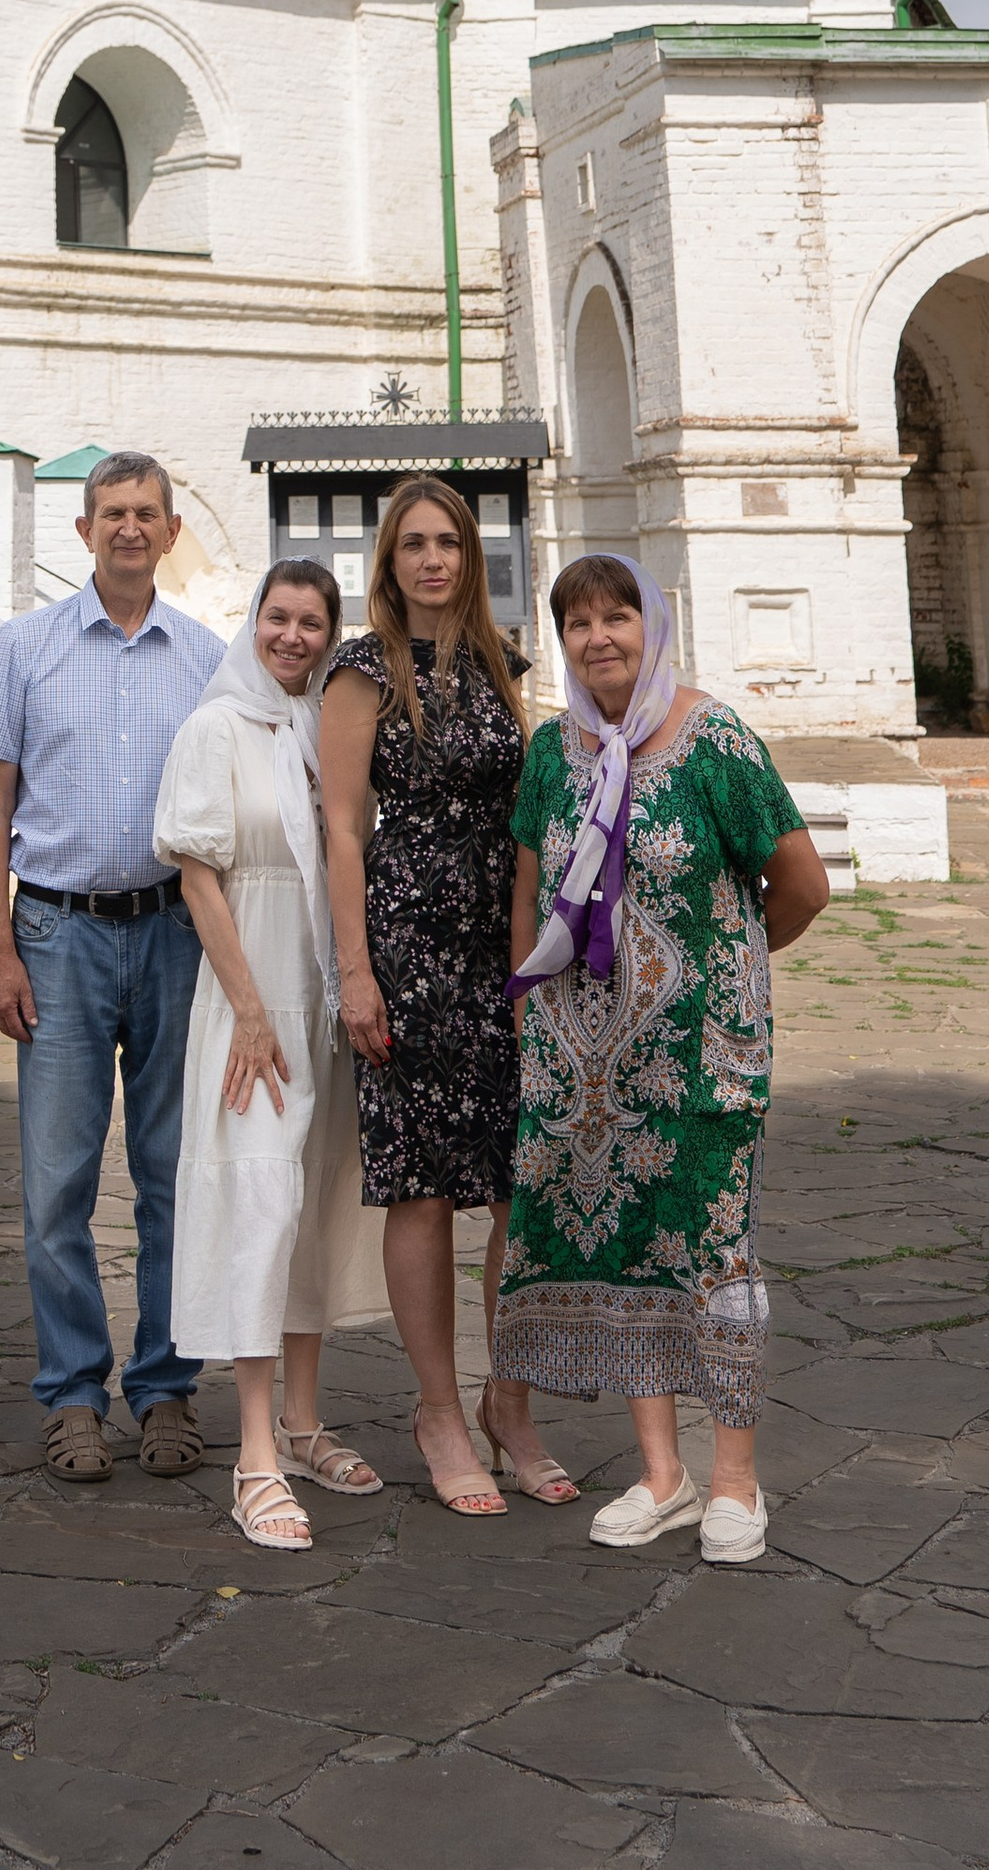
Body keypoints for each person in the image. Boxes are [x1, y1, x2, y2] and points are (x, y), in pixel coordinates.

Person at [495, 552, 829, 1565]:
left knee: (715, 1254)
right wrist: (526, 1007)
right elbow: (527, 878)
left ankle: (734, 1478)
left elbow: (801, 882)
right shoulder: (556, 751)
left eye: (617, 616)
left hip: (701, 1059)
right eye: (578, 622)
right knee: (626, 1247)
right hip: (583, 1055)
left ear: (654, 625)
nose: (598, 637)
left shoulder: (713, 738)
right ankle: (661, 1475)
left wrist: (722, 971)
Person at [0, 449, 224, 1484]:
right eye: (110, 513)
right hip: (57, 937)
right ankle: (73, 1393)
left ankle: (165, 1389)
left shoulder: (207, 659)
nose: (128, 528)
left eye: (146, 514)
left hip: (173, 935)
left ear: (170, 534)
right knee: (54, 1186)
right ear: (82, 532)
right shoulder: (23, 649)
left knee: (173, 1178)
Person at [322, 476, 565, 1513]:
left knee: (518, 1182)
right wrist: (355, 971)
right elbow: (340, 826)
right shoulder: (362, 671)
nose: (432, 560)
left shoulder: (501, 668)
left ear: (470, 558)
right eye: (414, 543)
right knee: (420, 1185)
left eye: (449, 543)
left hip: (498, 950)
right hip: (408, 950)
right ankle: (438, 1411)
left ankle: (509, 1400)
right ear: (389, 561)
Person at [154, 560, 389, 1550]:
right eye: (276, 618)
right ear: (252, 623)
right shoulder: (216, 729)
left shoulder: (321, 735)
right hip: (252, 1001)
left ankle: (301, 1422)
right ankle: (252, 1454)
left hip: (324, 1003)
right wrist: (249, 1010)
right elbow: (197, 878)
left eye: (311, 622)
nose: (291, 636)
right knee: (256, 1205)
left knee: (312, 1203)